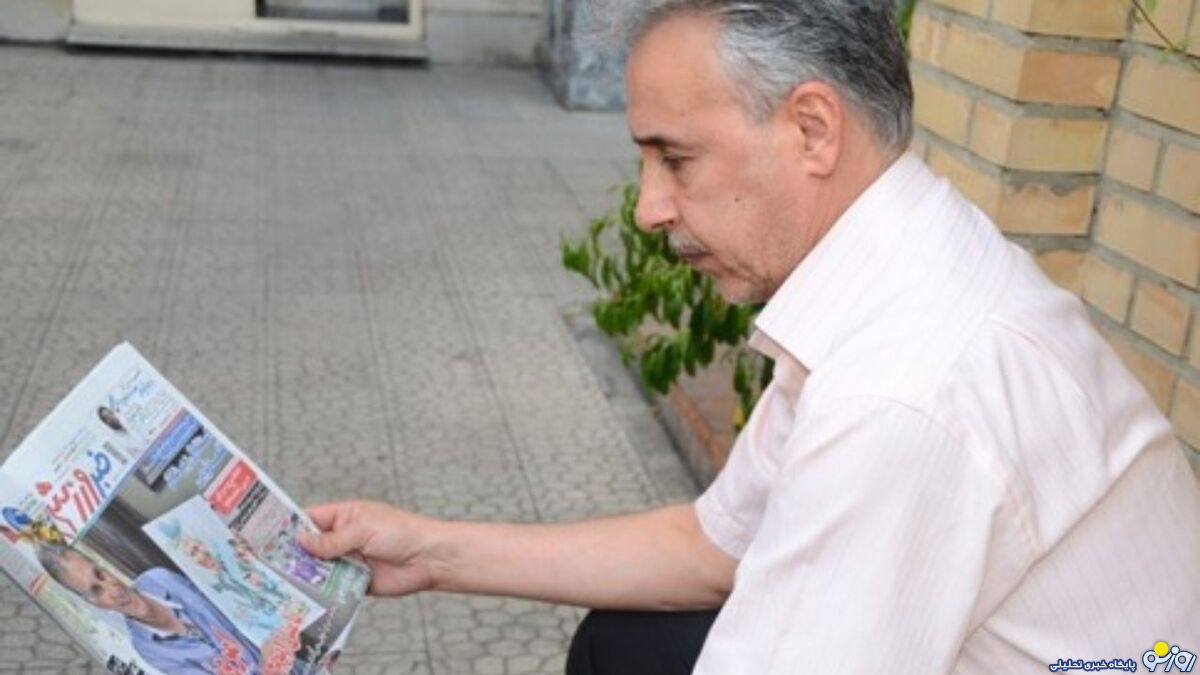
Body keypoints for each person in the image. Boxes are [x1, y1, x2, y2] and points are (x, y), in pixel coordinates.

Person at [301, 1, 1200, 673]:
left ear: (812, 128)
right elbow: (714, 547)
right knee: (628, 645)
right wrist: (432, 550)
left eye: (675, 158)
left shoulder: (900, 394)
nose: (650, 208)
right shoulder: (898, 260)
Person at [36, 543, 309, 675]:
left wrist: (243, 561)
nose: (114, 589)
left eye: (101, 574)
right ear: (92, 603)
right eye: (97, 591)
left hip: (295, 658)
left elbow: (232, 600)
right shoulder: (148, 649)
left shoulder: (160, 578)